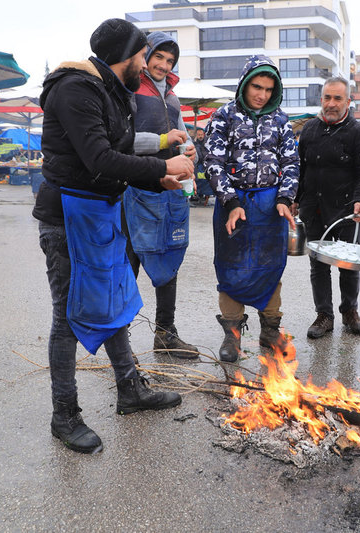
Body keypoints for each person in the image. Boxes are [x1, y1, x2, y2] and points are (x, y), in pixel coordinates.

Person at [33, 18, 193, 454]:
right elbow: (100, 159)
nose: (147, 64)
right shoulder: (75, 89)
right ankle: (64, 415)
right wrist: (164, 166)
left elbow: (121, 152)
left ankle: (130, 390)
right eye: (144, 54)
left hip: (102, 214)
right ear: (125, 53)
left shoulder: (112, 91)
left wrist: (155, 181)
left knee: (117, 303)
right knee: (68, 315)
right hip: (67, 218)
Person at [204, 55, 299, 361]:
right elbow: (213, 163)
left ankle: (270, 333)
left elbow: (291, 163)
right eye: (257, 86)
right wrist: (230, 201)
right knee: (231, 266)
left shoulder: (281, 120)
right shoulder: (223, 116)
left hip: (271, 207)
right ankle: (232, 337)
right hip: (234, 204)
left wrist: (285, 200)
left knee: (270, 266)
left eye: (269, 89)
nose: (262, 94)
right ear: (244, 84)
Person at [125, 31, 198, 359]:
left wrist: (189, 148)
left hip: (169, 189)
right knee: (129, 263)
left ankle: (166, 334)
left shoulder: (172, 96)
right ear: (146, 54)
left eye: (170, 61)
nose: (164, 65)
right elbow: (122, 142)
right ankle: (120, 341)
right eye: (159, 57)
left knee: (168, 257)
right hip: (135, 188)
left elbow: (179, 136)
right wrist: (164, 140)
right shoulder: (129, 89)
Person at [295, 76, 360, 338]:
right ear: (322, 100)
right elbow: (301, 169)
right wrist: (295, 198)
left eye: (337, 98)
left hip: (346, 212)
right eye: (327, 98)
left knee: (348, 264)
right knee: (318, 264)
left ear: (348, 102)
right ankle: (324, 315)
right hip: (313, 209)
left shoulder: (359, 133)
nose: (331, 104)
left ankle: (350, 312)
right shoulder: (309, 130)